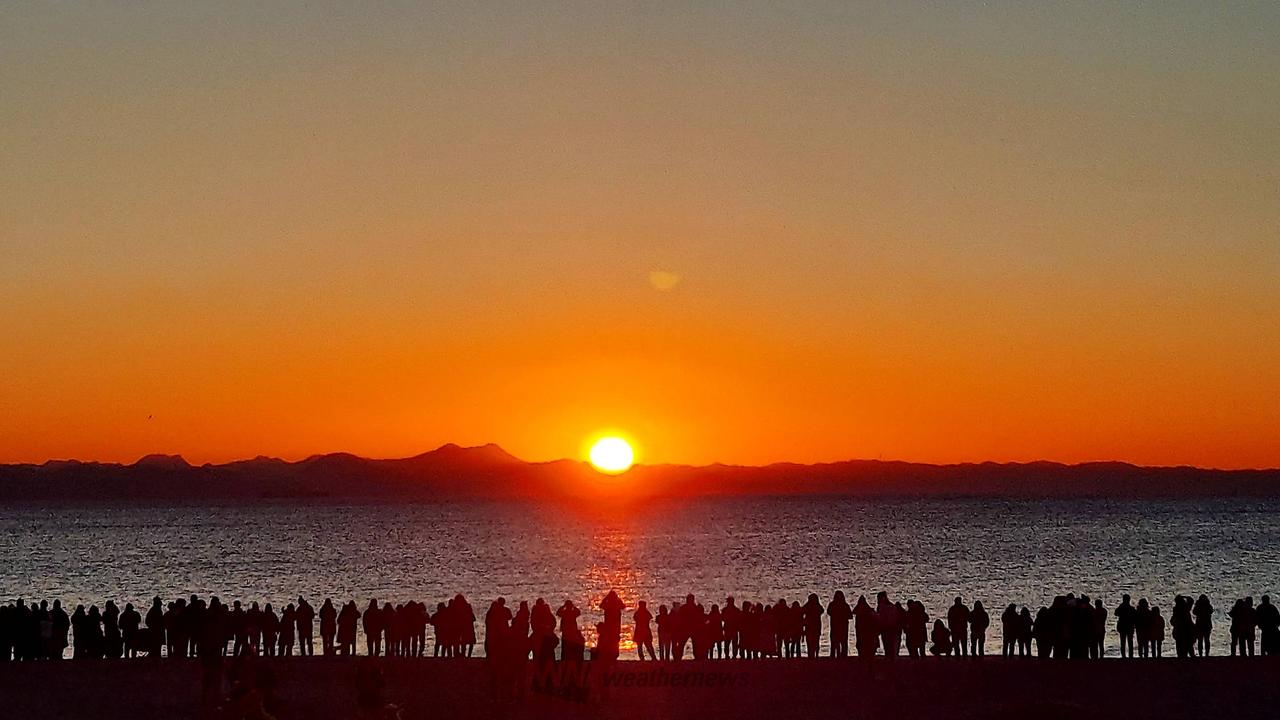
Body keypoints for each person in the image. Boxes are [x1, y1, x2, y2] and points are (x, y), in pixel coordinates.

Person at [827, 591, 852, 658]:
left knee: (834, 641)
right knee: (843, 642)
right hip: (843, 627)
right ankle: (843, 656)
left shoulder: (832, 605)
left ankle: (833, 656)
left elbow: (829, 612)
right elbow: (850, 616)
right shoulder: (845, 605)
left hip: (835, 626)